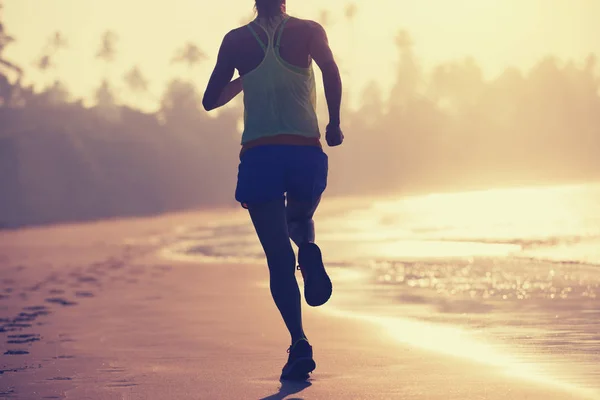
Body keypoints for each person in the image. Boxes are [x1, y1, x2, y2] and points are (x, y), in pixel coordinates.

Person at [202, 0, 343, 381]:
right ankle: (309, 250)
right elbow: (330, 69)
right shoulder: (309, 30)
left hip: (261, 155)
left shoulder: (235, 41)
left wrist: (246, 79)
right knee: (299, 218)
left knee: (278, 258)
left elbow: (209, 100)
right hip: (305, 152)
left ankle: (299, 342)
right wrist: (335, 123)